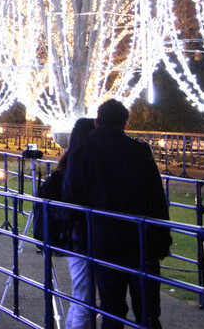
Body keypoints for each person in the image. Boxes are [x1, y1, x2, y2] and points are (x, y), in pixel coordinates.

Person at [64, 99, 172, 329]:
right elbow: (156, 198)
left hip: (103, 240)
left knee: (112, 309)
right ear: (125, 123)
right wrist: (163, 238)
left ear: (97, 122)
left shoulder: (81, 152)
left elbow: (71, 197)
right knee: (148, 311)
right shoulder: (139, 150)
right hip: (141, 240)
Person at [34, 117, 96, 329]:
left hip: (73, 237)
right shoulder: (80, 169)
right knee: (85, 297)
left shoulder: (67, 166)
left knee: (82, 295)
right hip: (82, 236)